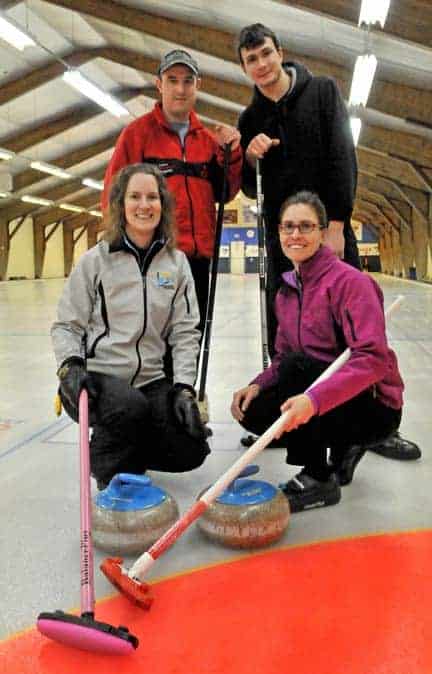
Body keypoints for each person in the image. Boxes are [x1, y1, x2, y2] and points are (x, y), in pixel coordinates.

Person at [236, 23, 420, 462]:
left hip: (328, 231)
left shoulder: (322, 93)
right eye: (251, 60)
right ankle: (289, 410)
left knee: (354, 325)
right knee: (287, 333)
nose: (261, 65)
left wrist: (337, 223)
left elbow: (343, 156)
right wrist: (249, 155)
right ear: (243, 68)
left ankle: (370, 423)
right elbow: (248, 187)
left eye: (265, 54)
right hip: (283, 243)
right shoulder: (250, 119)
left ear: (280, 52)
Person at [231, 191, 408, 513]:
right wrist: (257, 383)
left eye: (306, 226)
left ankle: (318, 478)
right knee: (256, 408)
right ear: (279, 233)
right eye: (288, 227)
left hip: (373, 406)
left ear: (323, 233)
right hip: (320, 391)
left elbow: (373, 358)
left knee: (298, 372)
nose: (295, 235)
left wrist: (313, 401)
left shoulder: (351, 283)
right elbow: (283, 356)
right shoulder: (287, 291)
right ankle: (344, 446)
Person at [52, 163, 210, 489]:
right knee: (129, 406)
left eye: (152, 197)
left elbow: (184, 332)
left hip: (150, 380)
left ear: (162, 206)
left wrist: (183, 388)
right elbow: (66, 325)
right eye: (134, 196)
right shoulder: (96, 260)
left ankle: (131, 453)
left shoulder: (176, 263)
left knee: (190, 447)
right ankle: (108, 469)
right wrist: (69, 366)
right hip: (98, 379)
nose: (144, 205)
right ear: (120, 205)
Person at [102, 49, 242, 343]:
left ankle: (184, 390)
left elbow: (226, 192)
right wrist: (118, 249)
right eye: (173, 80)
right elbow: (113, 194)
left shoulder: (208, 139)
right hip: (154, 256)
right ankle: (154, 391)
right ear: (159, 84)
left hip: (199, 259)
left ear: (197, 85)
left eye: (188, 81)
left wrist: (233, 154)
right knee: (153, 340)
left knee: (191, 338)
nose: (180, 89)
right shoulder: (136, 134)